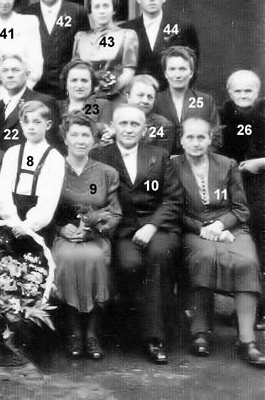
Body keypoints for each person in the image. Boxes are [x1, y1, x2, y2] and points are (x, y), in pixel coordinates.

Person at [91, 105, 183, 364]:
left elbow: (173, 199)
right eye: (124, 123)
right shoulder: (100, 156)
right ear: (114, 127)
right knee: (130, 264)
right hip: (123, 229)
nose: (129, 129)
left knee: (158, 256)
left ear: (144, 129)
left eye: (135, 124)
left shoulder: (160, 155)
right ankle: (133, 328)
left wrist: (152, 225)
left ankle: (154, 338)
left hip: (159, 227)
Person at [172, 117, 265, 366]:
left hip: (231, 227)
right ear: (181, 140)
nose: (195, 142)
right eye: (189, 137)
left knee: (247, 261)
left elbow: (240, 208)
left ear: (210, 139)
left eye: (201, 137)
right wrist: (204, 229)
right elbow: (173, 209)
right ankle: (200, 332)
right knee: (204, 257)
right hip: (193, 229)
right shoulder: (171, 165)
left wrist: (220, 225)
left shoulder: (227, 164)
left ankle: (247, 340)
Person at [51, 113, 121, 361]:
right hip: (64, 236)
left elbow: (115, 214)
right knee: (68, 259)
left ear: (93, 140)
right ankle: (74, 332)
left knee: (94, 258)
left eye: (86, 135)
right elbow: (44, 211)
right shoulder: (53, 168)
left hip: (94, 237)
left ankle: (92, 334)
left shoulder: (106, 172)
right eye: (75, 135)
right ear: (65, 138)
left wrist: (93, 230)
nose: (80, 140)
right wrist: (61, 229)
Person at [219, 69, 265, 331]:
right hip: (231, 185)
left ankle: (261, 310)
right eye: (238, 90)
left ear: (257, 92)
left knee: (261, 241)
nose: (243, 95)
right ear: (229, 92)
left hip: (260, 185)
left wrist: (260, 162)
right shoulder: (224, 115)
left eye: (249, 90)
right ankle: (240, 307)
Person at [0, 101, 66, 244]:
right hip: (12, 223)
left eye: (37, 122)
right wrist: (14, 223)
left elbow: (48, 201)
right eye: (26, 122)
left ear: (48, 124)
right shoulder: (12, 153)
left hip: (39, 226)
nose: (31, 127)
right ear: (21, 124)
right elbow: (3, 194)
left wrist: (28, 226)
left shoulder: (54, 158)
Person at [121, 0, 200, 89]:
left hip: (171, 96)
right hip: (137, 97)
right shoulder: (126, 29)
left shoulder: (183, 28)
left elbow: (193, 66)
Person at [26, 0, 87, 98]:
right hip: (35, 88)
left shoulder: (77, 12)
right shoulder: (27, 14)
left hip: (65, 88)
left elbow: (84, 51)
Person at [71, 0, 138, 99]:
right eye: (97, 7)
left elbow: (128, 73)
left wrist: (105, 91)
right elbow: (75, 71)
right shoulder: (80, 37)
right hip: (85, 99)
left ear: (114, 9)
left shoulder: (127, 35)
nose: (101, 11)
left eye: (106, 6)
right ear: (91, 11)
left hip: (114, 98)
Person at [153, 46, 220, 155]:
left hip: (196, 163)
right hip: (162, 165)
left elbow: (216, 138)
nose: (177, 75)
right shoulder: (154, 101)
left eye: (182, 69)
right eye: (172, 69)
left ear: (191, 73)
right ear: (165, 73)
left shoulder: (206, 101)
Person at [0, 54, 59, 151]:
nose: (10, 75)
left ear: (27, 74)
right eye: (5, 71)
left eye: (16, 70)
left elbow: (52, 143)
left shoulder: (44, 101)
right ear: (0, 76)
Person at [58, 59, 113, 141]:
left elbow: (107, 136)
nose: (79, 85)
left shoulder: (101, 104)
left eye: (84, 81)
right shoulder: (57, 107)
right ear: (66, 84)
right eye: (74, 80)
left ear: (92, 84)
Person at [123, 74, 174, 152]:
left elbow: (161, 157)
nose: (145, 101)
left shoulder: (163, 125)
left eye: (150, 97)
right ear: (128, 97)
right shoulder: (115, 119)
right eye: (140, 95)